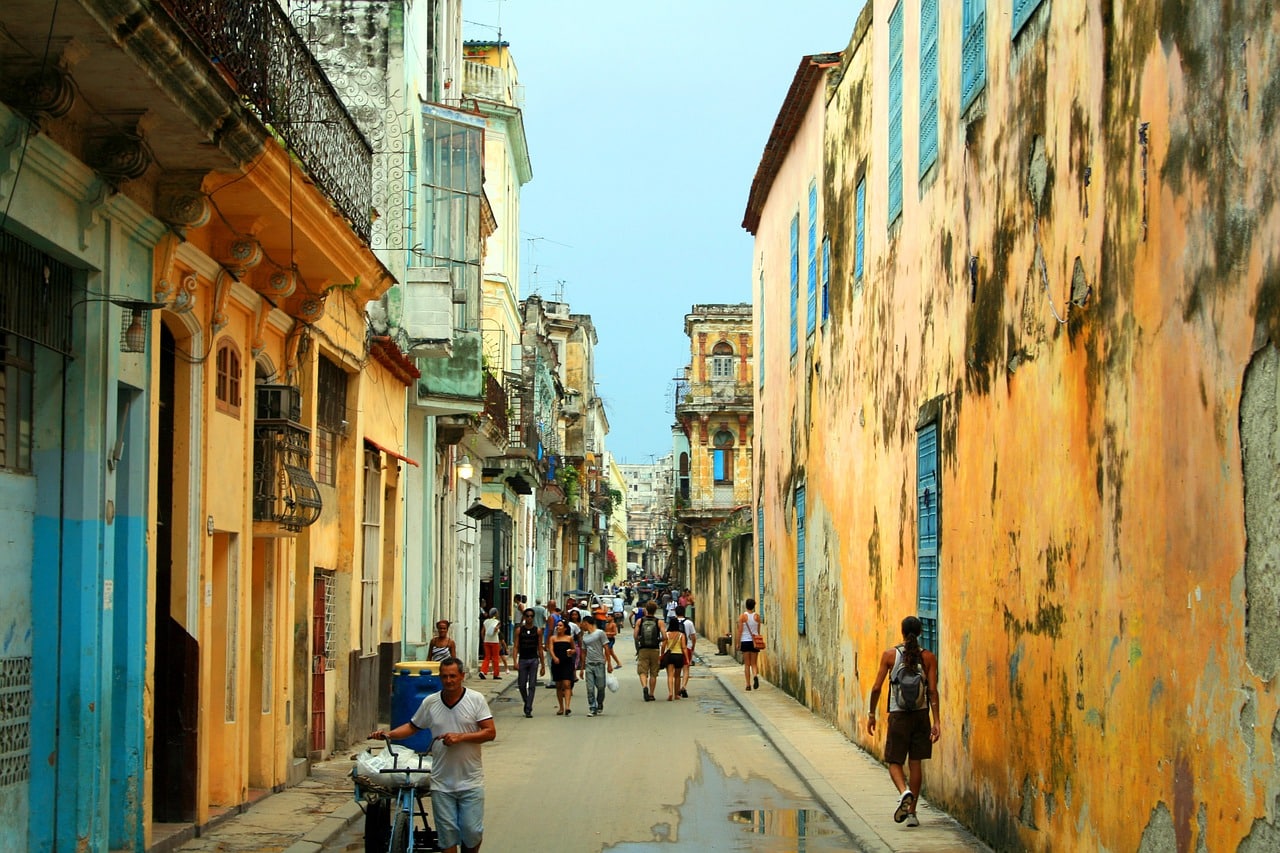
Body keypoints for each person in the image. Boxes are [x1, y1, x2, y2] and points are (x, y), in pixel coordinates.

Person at [371, 657, 495, 853]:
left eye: (453, 676)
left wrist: (461, 737)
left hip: (471, 781)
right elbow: (412, 727)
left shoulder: (476, 700)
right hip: (441, 782)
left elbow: (490, 732)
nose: (449, 680)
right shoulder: (431, 703)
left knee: (472, 832)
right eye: (445, 676)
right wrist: (389, 734)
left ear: (462, 676)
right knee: (447, 837)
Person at [866, 615, 940, 828]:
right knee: (915, 762)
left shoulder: (890, 655)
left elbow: (876, 688)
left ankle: (903, 791)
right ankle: (913, 812)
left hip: (898, 716)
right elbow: (932, 691)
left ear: (901, 631)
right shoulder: (928, 658)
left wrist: (872, 714)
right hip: (921, 715)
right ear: (919, 633)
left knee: (894, 761)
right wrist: (937, 721)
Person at [578, 616, 612, 716]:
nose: (581, 625)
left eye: (582, 623)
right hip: (589, 664)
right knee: (590, 688)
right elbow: (583, 652)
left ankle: (599, 703)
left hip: (599, 663)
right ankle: (592, 707)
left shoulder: (600, 633)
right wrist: (582, 667)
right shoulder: (584, 636)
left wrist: (609, 663)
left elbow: (606, 648)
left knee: (601, 686)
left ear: (586, 623)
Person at [514, 608, 545, 718]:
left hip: (533, 660)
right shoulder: (519, 630)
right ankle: (527, 702)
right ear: (524, 617)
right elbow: (516, 646)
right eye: (527, 616)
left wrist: (543, 665)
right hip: (523, 659)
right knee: (522, 684)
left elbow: (540, 648)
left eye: (531, 616)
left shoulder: (537, 631)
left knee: (532, 685)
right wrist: (515, 661)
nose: (529, 618)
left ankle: (528, 709)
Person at [546, 619, 577, 716]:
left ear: (565, 628)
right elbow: (550, 649)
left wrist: (572, 652)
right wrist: (554, 657)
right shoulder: (553, 638)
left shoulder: (569, 638)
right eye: (557, 626)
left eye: (560, 626)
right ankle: (561, 707)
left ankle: (567, 707)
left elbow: (574, 649)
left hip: (567, 662)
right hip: (557, 663)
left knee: (567, 684)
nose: (558, 627)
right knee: (559, 685)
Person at [633, 600, 662, 701]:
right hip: (655, 649)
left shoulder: (640, 621)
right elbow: (665, 636)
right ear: (655, 610)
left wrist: (640, 640)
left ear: (646, 609)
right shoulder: (659, 622)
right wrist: (659, 640)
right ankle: (651, 694)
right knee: (654, 673)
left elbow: (635, 636)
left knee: (642, 671)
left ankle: (645, 686)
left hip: (643, 649)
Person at [659, 616, 687, 701]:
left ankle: (670, 692)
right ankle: (676, 694)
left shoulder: (667, 634)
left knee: (670, 675)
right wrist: (687, 658)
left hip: (670, 656)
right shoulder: (681, 635)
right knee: (678, 676)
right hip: (679, 656)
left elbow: (663, 646)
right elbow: (684, 647)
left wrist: (662, 655)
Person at [739, 598, 762, 691]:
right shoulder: (757, 616)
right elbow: (758, 630)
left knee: (747, 664)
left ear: (746, 605)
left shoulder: (743, 617)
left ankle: (748, 685)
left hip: (745, 641)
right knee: (754, 663)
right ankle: (755, 676)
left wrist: (738, 642)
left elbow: (740, 631)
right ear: (753, 606)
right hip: (754, 641)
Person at [675, 605, 696, 698]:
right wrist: (693, 647)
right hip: (687, 647)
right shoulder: (689, 623)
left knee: (677, 670)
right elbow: (693, 637)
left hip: (676, 648)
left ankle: (676, 688)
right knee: (686, 668)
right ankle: (683, 687)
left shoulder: (673, 622)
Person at [479, 608, 502, 680]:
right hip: (495, 641)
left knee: (487, 657)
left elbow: (482, 632)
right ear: (495, 614)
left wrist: (484, 640)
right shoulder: (497, 622)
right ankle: (496, 674)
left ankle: (483, 671)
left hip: (486, 641)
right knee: (495, 658)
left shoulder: (486, 621)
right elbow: (496, 631)